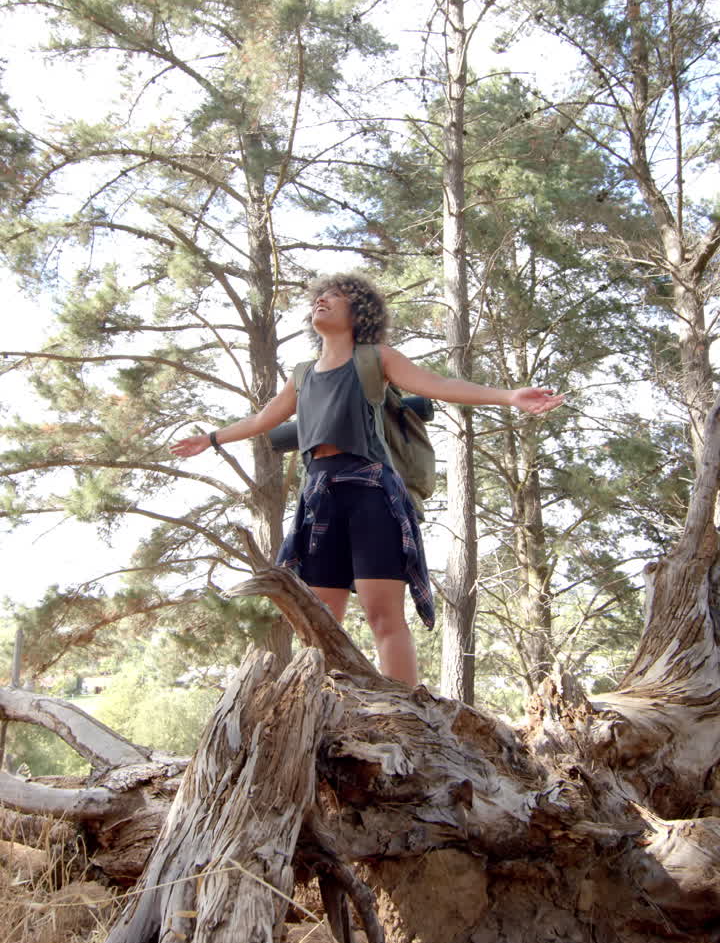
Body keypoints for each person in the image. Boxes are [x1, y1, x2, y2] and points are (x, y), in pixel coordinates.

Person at [171, 275, 564, 686]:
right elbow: (262, 420)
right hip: (319, 500)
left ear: (359, 313)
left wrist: (509, 396)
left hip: (371, 495)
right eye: (320, 296)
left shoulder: (375, 358)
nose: (322, 299)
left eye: (336, 296)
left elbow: (441, 386)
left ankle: (406, 720)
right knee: (320, 625)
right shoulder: (303, 374)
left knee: (384, 618)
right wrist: (211, 438)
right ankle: (323, 713)